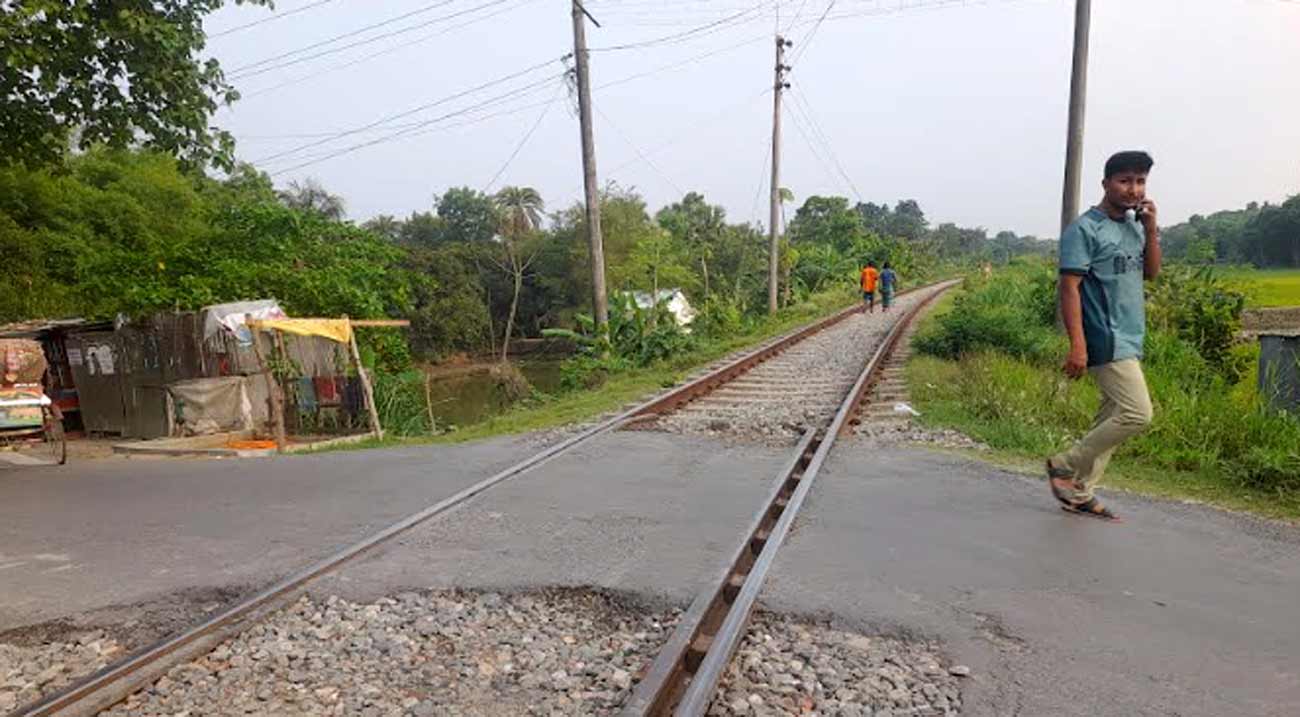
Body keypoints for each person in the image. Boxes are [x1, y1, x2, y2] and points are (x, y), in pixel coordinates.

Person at [1046, 150, 1161, 522]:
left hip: (1131, 334)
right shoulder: (1084, 230)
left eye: (1140, 181)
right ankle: (1064, 463)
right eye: (1124, 180)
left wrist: (1151, 228)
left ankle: (1080, 492)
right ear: (1106, 184)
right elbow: (1069, 288)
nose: (1133, 189)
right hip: (1104, 336)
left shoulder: (1133, 225)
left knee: (1110, 418)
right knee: (1137, 413)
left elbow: (1151, 273)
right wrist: (1077, 344)